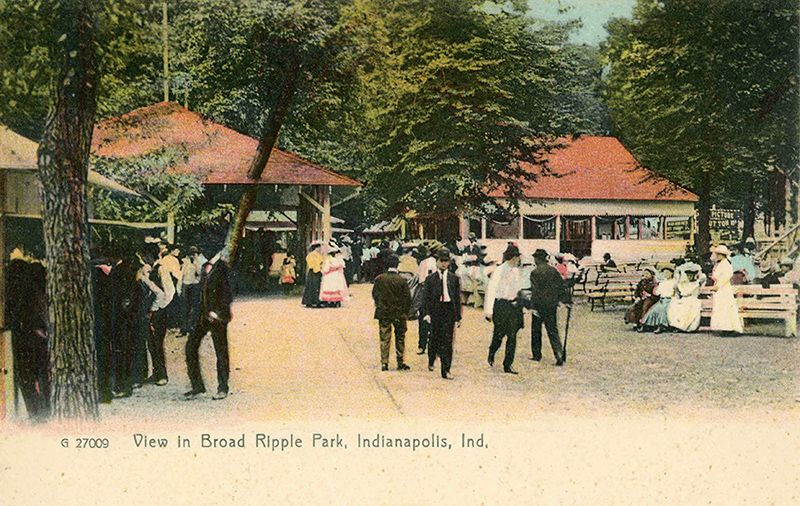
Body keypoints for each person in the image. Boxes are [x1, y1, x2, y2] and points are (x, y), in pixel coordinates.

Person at [185, 249, 233, 400]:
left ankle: (223, 388)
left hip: (217, 317)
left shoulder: (222, 268)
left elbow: (229, 292)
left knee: (221, 352)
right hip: (202, 316)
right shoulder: (204, 267)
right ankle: (197, 386)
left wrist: (217, 312)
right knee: (190, 347)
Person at [484, 243, 524, 374]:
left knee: (512, 336)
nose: (519, 259)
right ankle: (492, 351)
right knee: (499, 335)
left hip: (513, 307)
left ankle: (508, 365)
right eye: (518, 257)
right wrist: (489, 310)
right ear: (513, 257)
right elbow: (491, 290)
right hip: (501, 305)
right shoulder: (500, 270)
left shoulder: (518, 272)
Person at [423, 247, 462, 379]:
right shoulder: (430, 279)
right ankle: (431, 359)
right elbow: (426, 298)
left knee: (448, 341)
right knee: (434, 338)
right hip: (435, 310)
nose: (444, 264)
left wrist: (458, 317)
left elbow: (457, 298)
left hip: (449, 310)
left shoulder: (454, 279)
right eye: (441, 261)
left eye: (446, 261)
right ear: (437, 262)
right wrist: (427, 313)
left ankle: (446, 369)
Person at [138, 249, 175, 386]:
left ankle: (162, 374)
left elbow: (169, 292)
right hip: (151, 310)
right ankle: (156, 372)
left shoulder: (161, 270)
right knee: (151, 344)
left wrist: (157, 307)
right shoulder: (149, 270)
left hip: (158, 311)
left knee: (157, 343)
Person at [372, 255, 413, 371]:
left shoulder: (379, 279)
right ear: (397, 265)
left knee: (385, 338)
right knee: (400, 337)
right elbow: (407, 298)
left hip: (384, 312)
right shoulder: (401, 280)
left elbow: (375, 294)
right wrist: (406, 312)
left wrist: (379, 304)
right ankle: (400, 361)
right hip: (399, 314)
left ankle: (384, 362)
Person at [528, 249, 569, 365]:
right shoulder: (553, 271)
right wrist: (565, 300)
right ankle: (559, 355)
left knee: (536, 331)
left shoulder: (535, 272)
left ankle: (537, 355)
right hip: (551, 305)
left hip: (539, 305)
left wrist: (533, 307)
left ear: (537, 259)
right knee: (552, 330)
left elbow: (535, 291)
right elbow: (561, 286)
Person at [709, 245, 743, 333]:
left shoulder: (726, 264)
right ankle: (722, 327)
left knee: (726, 307)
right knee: (721, 307)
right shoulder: (720, 264)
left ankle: (729, 327)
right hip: (720, 287)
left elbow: (726, 276)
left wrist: (718, 285)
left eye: (719, 254)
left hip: (724, 287)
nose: (717, 256)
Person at [667, 262, 705, 332]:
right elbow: (681, 291)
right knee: (675, 306)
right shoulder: (683, 284)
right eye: (688, 275)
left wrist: (698, 271)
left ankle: (685, 327)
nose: (689, 277)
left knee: (688, 308)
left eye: (691, 275)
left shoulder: (696, 283)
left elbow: (703, 277)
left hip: (693, 299)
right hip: (684, 299)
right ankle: (677, 326)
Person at [416, 243, 438, 355]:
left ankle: (423, 345)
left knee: (424, 321)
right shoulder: (428, 262)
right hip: (428, 292)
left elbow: (423, 280)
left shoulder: (428, 262)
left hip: (428, 292)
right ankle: (427, 345)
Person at [640, 265, 676, 333]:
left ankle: (661, 326)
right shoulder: (663, 282)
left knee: (662, 310)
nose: (667, 274)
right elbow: (658, 292)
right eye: (665, 273)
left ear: (672, 273)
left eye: (668, 272)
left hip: (670, 300)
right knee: (653, 310)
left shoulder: (674, 282)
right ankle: (645, 325)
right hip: (662, 299)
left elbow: (676, 293)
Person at [302, 242, 325, 308]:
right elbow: (311, 264)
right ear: (317, 248)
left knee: (316, 287)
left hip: (318, 271)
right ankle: (310, 302)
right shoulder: (312, 255)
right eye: (320, 247)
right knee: (312, 287)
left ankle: (315, 301)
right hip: (313, 272)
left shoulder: (319, 255)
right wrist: (317, 268)